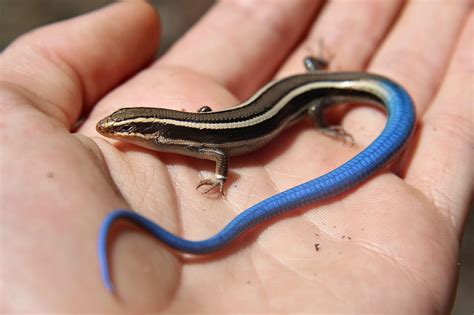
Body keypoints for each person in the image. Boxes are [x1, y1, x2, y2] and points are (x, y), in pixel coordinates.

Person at [1, 0, 471, 312]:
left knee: (311, 106)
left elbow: (217, 151)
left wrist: (224, 179)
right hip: (283, 96)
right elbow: (206, 124)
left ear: (152, 131)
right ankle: (317, 80)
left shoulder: (196, 141)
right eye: (121, 127)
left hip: (304, 99)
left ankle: (322, 109)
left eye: (129, 128)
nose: (116, 134)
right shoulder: (180, 134)